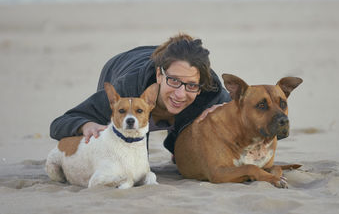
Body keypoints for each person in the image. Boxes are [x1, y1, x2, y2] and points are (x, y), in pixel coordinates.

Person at [50, 33, 231, 154]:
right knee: (125, 154)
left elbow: (245, 112)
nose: (180, 94)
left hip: (167, 62)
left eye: (191, 85)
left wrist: (226, 110)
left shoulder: (210, 92)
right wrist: (87, 125)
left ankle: (175, 143)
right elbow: (59, 124)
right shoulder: (128, 89)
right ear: (160, 74)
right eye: (174, 81)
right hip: (121, 65)